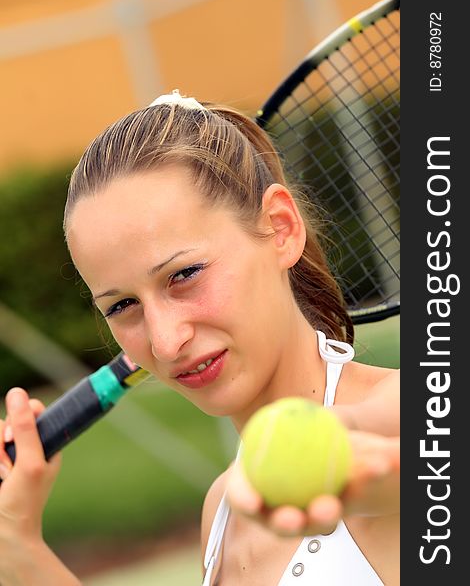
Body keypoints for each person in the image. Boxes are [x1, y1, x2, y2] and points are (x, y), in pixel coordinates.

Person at [0, 90, 399, 585]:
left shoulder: (399, 414)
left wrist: (351, 451)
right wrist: (13, 541)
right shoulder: (222, 512)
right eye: (122, 306)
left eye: (184, 274)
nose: (166, 342)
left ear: (280, 228)